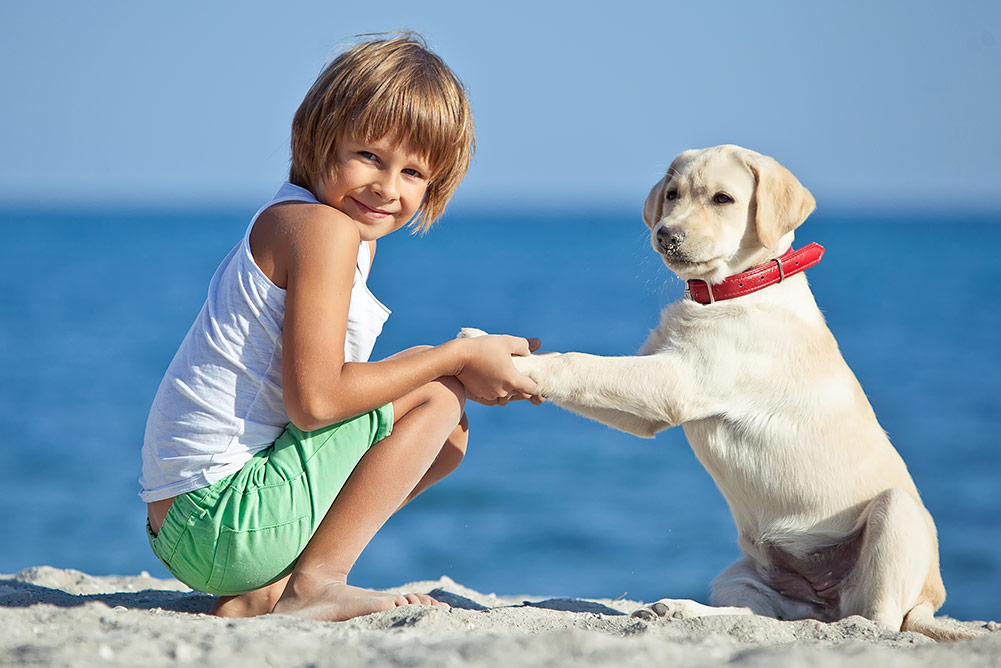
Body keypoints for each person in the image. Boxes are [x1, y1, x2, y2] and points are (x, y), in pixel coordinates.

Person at [139, 33, 539, 622]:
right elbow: (319, 402)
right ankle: (317, 582)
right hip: (218, 516)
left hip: (187, 522)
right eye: (370, 157)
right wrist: (455, 357)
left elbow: (327, 406)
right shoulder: (323, 231)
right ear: (320, 137)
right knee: (437, 393)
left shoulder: (320, 228)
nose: (387, 187)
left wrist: (460, 357)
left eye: (413, 173)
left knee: (446, 441)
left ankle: (268, 587)